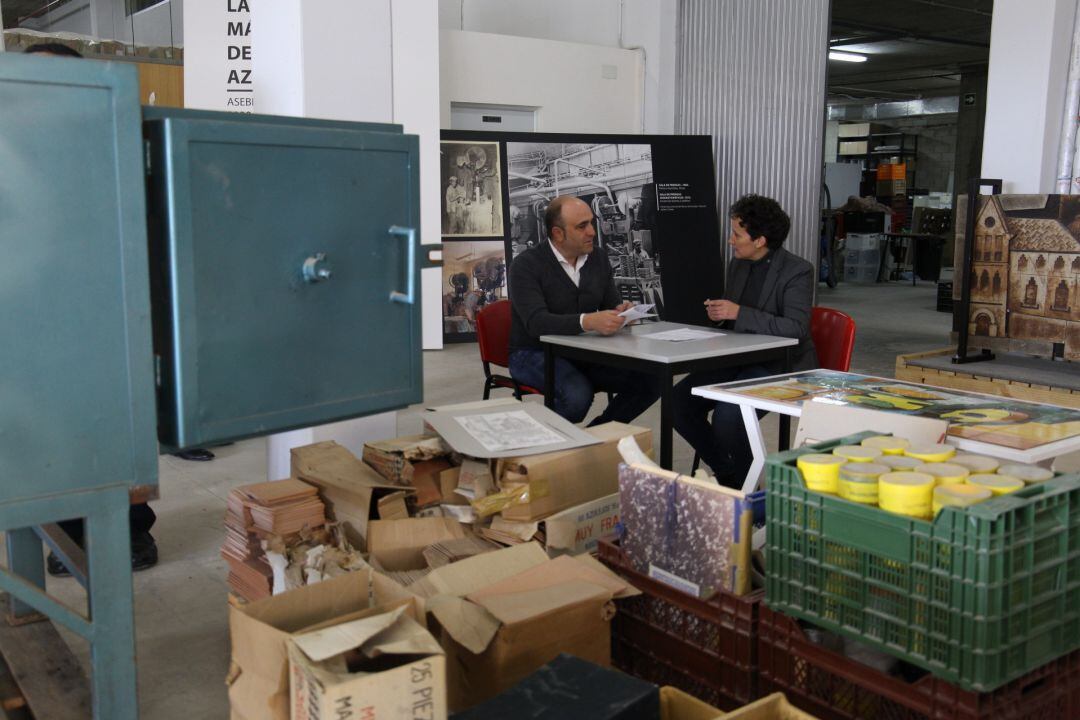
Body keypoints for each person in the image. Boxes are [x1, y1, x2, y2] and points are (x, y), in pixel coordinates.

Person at [24, 42, 161, 574]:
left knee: (117, 429)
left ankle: (130, 533)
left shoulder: (114, 142)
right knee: (57, 434)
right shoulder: (20, 150)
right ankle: (71, 535)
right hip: (41, 318)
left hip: (112, 314)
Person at [672, 194, 817, 488]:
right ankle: (730, 472)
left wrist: (739, 312)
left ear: (760, 240)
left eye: (737, 234)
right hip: (738, 358)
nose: (731, 240)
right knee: (677, 402)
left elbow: (795, 328)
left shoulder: (797, 271)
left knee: (730, 414)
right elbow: (734, 317)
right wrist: (720, 316)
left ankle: (745, 486)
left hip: (780, 365)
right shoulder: (738, 264)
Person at [508, 195, 660, 424]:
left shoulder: (597, 257)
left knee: (651, 378)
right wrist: (587, 321)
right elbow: (536, 323)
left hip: (583, 349)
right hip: (532, 352)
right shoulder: (526, 266)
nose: (592, 232)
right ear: (558, 234)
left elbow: (611, 304)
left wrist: (622, 312)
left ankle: (597, 436)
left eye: (591, 222)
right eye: (582, 226)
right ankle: (548, 449)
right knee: (576, 395)